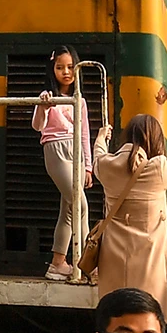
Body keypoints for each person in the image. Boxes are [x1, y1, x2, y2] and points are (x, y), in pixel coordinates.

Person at [90, 96, 167, 326]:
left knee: (117, 319)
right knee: (152, 321)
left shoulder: (107, 165)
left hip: (113, 257)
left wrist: (101, 139)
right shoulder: (159, 168)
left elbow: (97, 157)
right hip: (152, 259)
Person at [34, 49, 107, 284]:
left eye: (70, 67)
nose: (65, 72)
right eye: (59, 67)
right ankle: (87, 264)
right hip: (56, 149)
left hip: (76, 152)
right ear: (52, 70)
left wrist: (88, 166)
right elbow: (37, 126)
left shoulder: (80, 100)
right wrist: (44, 106)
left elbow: (84, 134)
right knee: (80, 204)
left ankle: (58, 264)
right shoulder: (47, 96)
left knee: (68, 210)